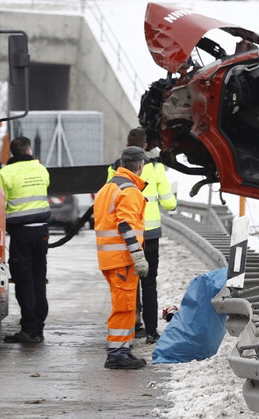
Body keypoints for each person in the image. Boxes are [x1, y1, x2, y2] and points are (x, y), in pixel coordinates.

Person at [108, 128, 177, 344]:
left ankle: (132, 325)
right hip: (150, 234)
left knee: (129, 282)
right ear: (145, 146)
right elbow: (170, 203)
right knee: (149, 282)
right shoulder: (155, 167)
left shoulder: (114, 168)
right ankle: (150, 331)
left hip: (127, 235)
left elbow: (110, 200)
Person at [94, 146, 150, 369]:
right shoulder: (130, 190)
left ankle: (124, 350)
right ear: (139, 166)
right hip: (123, 259)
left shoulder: (109, 187)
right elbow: (125, 224)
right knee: (124, 307)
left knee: (124, 305)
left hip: (110, 259)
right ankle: (116, 354)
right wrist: (137, 255)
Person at [0, 136, 50, 344]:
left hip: (21, 233)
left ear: (12, 153)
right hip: (42, 232)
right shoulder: (41, 170)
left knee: (23, 281)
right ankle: (39, 327)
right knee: (39, 281)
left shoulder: (4, 174)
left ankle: (28, 330)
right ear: (28, 151)